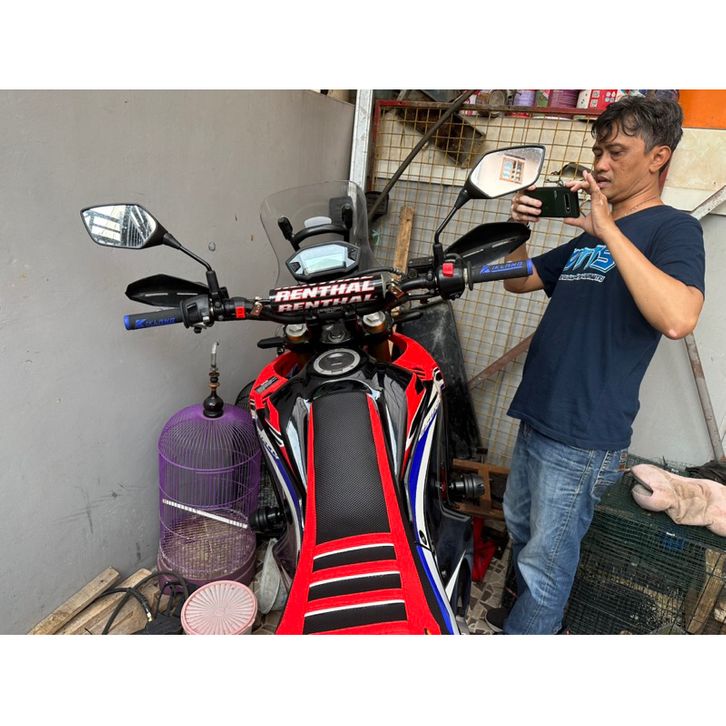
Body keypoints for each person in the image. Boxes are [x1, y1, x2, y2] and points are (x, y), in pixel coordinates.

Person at [485, 94, 706, 635]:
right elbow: (518, 280)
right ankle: (527, 622)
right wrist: (518, 233)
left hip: (582, 437)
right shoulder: (591, 235)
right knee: (521, 532)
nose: (600, 165)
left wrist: (608, 230)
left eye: (617, 152)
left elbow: (679, 317)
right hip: (537, 416)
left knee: (546, 568)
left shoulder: (672, 228)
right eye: (598, 152)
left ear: (657, 157)